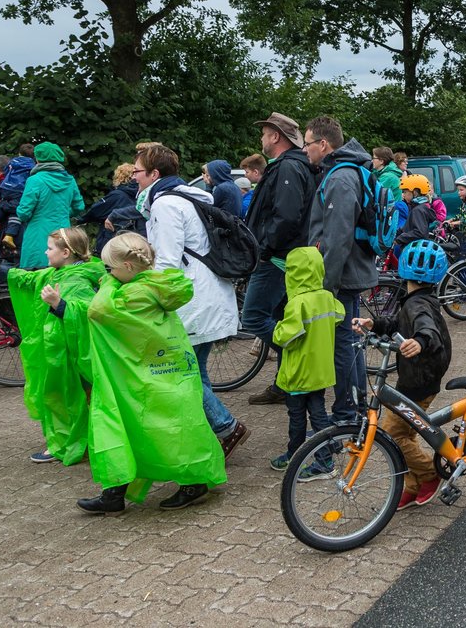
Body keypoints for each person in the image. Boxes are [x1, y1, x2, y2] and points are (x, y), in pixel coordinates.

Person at [77, 232, 227, 514]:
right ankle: (115, 492)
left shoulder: (134, 293)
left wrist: (108, 283)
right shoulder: (156, 284)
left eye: (110, 268)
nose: (107, 273)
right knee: (151, 428)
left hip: (146, 377)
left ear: (129, 268)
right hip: (163, 373)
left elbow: (98, 310)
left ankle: (193, 483)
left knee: (145, 429)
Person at [134, 143, 248, 456]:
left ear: (154, 173)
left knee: (181, 370)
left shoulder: (165, 204)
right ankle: (215, 430)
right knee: (194, 368)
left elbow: (167, 261)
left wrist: (148, 298)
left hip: (193, 299)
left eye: (138, 171)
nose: (134, 177)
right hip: (206, 294)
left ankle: (226, 427)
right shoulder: (184, 197)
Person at [0, 228, 104, 462]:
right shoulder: (56, 272)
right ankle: (79, 438)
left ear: (66, 252)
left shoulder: (77, 279)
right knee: (68, 396)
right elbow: (29, 279)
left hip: (68, 352)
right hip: (58, 349)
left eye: (50, 248)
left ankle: (65, 443)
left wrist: (59, 305)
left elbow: (86, 311)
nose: (45, 252)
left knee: (63, 396)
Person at [351, 239, 452, 510]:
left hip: (419, 381)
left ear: (403, 268)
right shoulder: (417, 301)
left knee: (394, 434)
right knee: (405, 432)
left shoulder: (418, 306)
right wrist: (375, 324)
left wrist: (420, 341)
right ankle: (412, 483)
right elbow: (399, 324)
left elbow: (427, 330)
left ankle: (430, 475)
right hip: (417, 378)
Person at [305, 115, 379, 426]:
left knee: (344, 348)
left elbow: (336, 238)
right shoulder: (349, 172)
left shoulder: (339, 178)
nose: (306, 150)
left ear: (324, 144)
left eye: (308, 144)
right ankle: (357, 409)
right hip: (352, 270)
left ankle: (348, 414)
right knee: (351, 344)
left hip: (342, 276)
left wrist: (327, 285)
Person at [243, 113, 314, 406]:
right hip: (285, 257)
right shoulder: (291, 166)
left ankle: (300, 361)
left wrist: (264, 248)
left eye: (264, 133)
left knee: (254, 317)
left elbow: (286, 217)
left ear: (275, 136)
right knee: (281, 318)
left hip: (277, 259)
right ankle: (285, 383)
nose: (261, 139)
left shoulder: (288, 168)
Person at [270, 246, 344, 478]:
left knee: (297, 416)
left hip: (299, 372)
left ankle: (306, 457)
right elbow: (339, 315)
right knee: (318, 412)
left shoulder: (296, 304)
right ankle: (326, 450)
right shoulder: (326, 297)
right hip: (320, 371)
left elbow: (287, 337)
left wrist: (277, 329)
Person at [15, 142, 85, 270]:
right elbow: (79, 207)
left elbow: (23, 212)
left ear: (38, 159)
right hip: (64, 236)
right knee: (62, 278)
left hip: (37, 236)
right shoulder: (69, 180)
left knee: (35, 279)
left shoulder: (35, 180)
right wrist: (62, 212)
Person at [0, 144, 36, 250]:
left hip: (4, 188)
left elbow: (6, 171)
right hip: (18, 190)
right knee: (17, 210)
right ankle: (9, 235)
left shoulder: (12, 162)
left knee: (3, 209)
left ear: (19, 153)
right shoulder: (32, 165)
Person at [80, 163, 138, 254]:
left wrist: (80, 220)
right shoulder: (141, 195)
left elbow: (96, 210)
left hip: (112, 237)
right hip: (133, 239)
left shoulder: (117, 195)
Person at [395, 173, 438, 250]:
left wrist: (399, 239)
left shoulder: (418, 210)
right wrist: (397, 233)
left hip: (414, 249)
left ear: (414, 193)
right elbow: (409, 227)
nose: (403, 195)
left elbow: (419, 232)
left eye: (405, 192)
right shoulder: (419, 207)